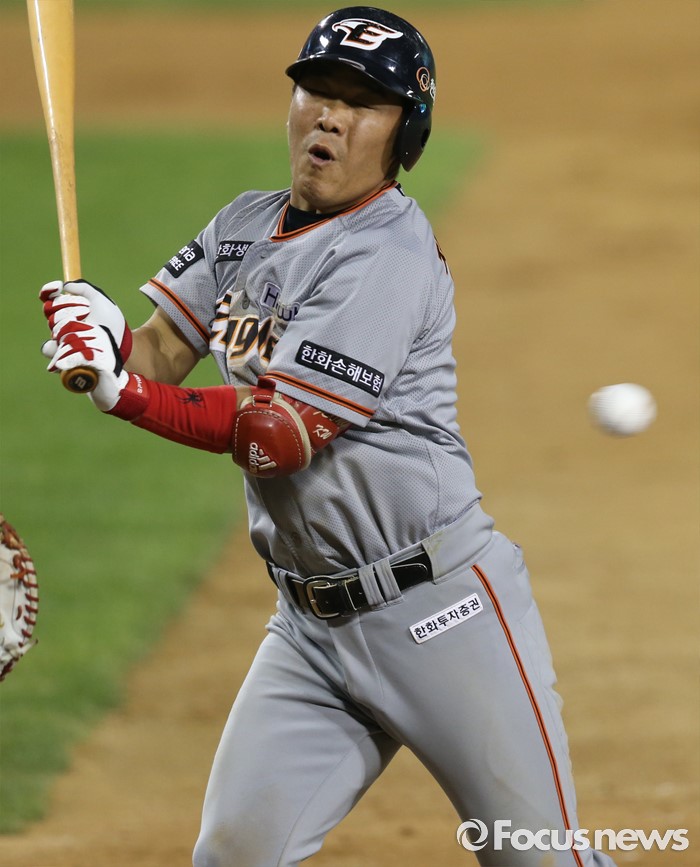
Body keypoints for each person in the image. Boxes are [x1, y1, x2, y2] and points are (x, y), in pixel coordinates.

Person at [40, 7, 617, 867]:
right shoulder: (243, 224)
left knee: (539, 860)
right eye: (318, 90)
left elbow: (276, 435)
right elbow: (160, 351)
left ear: (404, 134)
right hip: (310, 631)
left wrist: (122, 394)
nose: (331, 117)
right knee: (232, 858)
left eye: (362, 102)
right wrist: (106, 336)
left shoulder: (388, 254)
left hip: (440, 614)